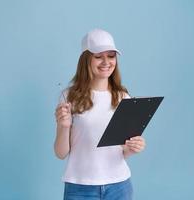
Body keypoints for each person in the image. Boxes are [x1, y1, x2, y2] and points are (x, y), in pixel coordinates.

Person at [54, 28, 146, 200]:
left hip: (119, 186)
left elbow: (122, 151)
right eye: (98, 56)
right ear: (86, 60)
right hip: (80, 188)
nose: (106, 62)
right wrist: (63, 126)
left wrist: (133, 147)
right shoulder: (69, 97)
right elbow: (60, 153)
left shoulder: (123, 97)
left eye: (111, 56)